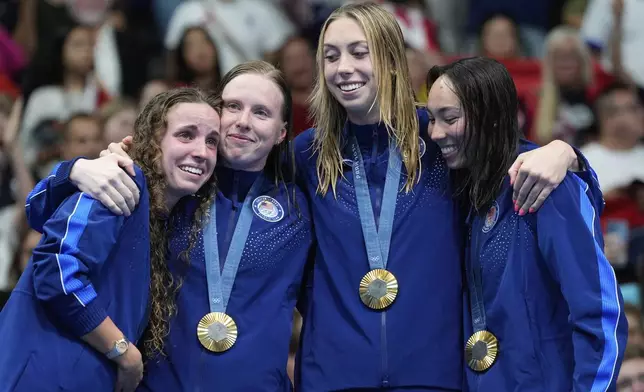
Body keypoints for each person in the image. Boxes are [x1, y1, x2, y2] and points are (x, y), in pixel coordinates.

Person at [292, 3, 598, 391]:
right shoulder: (307, 154)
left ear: (389, 59)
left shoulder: (438, 136)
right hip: (335, 375)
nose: (342, 67)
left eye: (359, 51)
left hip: (435, 373)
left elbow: (506, 154)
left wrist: (566, 153)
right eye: (330, 56)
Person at [22, 61, 313, 391]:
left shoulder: (300, 210)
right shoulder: (173, 186)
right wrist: (74, 172)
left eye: (261, 112)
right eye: (233, 106)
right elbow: (39, 215)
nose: (243, 121)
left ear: (282, 132)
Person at [0, 87, 220, 392]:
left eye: (212, 141)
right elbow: (56, 270)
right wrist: (123, 352)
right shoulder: (120, 183)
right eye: (186, 135)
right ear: (153, 142)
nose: (202, 151)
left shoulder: (165, 216)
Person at [426, 56, 626, 391]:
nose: (434, 132)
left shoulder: (547, 184)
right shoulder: (467, 194)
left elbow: (600, 311)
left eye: (449, 118)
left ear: (490, 117)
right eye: (431, 119)